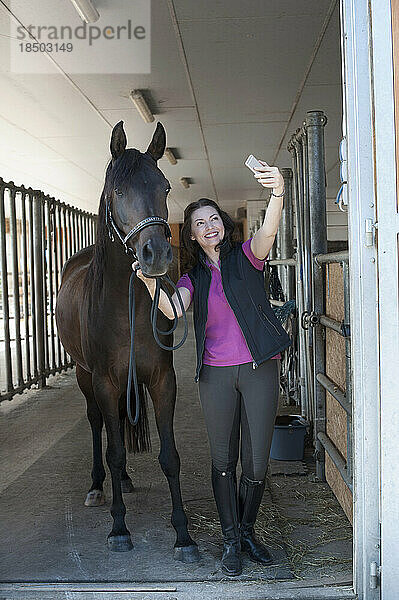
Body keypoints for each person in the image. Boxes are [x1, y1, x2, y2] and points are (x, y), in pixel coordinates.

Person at [135, 161, 292, 576]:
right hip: (217, 374)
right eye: (198, 223)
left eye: (212, 219)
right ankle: (229, 541)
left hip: (260, 369)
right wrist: (152, 283)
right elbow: (172, 310)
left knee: (257, 462)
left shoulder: (247, 257)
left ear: (222, 224)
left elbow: (269, 233)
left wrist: (278, 193)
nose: (208, 227)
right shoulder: (191, 279)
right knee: (224, 459)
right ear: (189, 234)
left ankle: (246, 531)